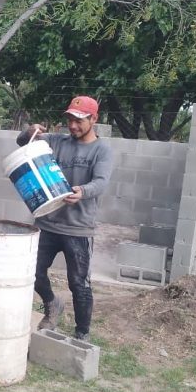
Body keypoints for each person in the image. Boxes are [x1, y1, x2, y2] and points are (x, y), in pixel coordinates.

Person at [16, 96, 114, 341]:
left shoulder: (102, 150)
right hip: (47, 223)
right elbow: (22, 143)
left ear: (94, 119)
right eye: (70, 119)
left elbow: (101, 182)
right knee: (32, 272)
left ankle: (82, 334)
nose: (72, 126)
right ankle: (51, 303)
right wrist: (31, 130)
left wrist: (83, 192)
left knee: (78, 283)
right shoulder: (56, 141)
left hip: (78, 228)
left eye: (79, 121)